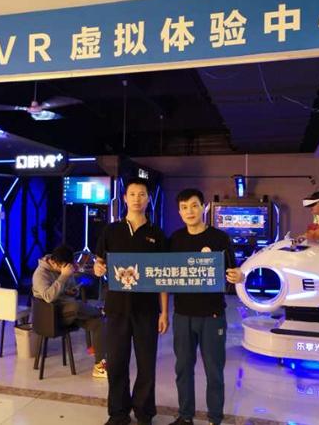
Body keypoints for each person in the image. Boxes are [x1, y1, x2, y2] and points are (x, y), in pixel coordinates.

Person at [93, 178, 169, 425]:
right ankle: (118, 413)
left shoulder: (157, 234)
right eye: (133, 194)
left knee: (147, 365)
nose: (137, 198)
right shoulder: (111, 231)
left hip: (147, 310)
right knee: (116, 363)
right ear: (125, 198)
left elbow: (163, 277)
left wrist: (164, 312)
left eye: (142, 194)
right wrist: (97, 268)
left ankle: (144, 413)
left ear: (148, 199)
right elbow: (99, 263)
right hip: (116, 308)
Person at [167, 188, 242, 425]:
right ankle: (185, 416)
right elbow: (164, 273)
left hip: (212, 314)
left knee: (214, 371)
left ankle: (214, 419)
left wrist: (238, 276)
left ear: (203, 207)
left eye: (194, 205)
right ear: (179, 212)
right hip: (182, 314)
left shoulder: (220, 238)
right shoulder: (175, 239)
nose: (189, 211)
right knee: (183, 369)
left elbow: (233, 271)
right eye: (184, 207)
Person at [32, 244, 107, 378]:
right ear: (54, 263)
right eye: (64, 267)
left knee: (98, 323)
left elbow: (69, 289)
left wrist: (72, 290)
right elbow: (48, 297)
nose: (67, 269)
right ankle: (98, 311)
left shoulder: (65, 268)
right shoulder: (40, 274)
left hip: (68, 310)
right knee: (76, 306)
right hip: (52, 315)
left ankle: (99, 365)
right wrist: (63, 276)